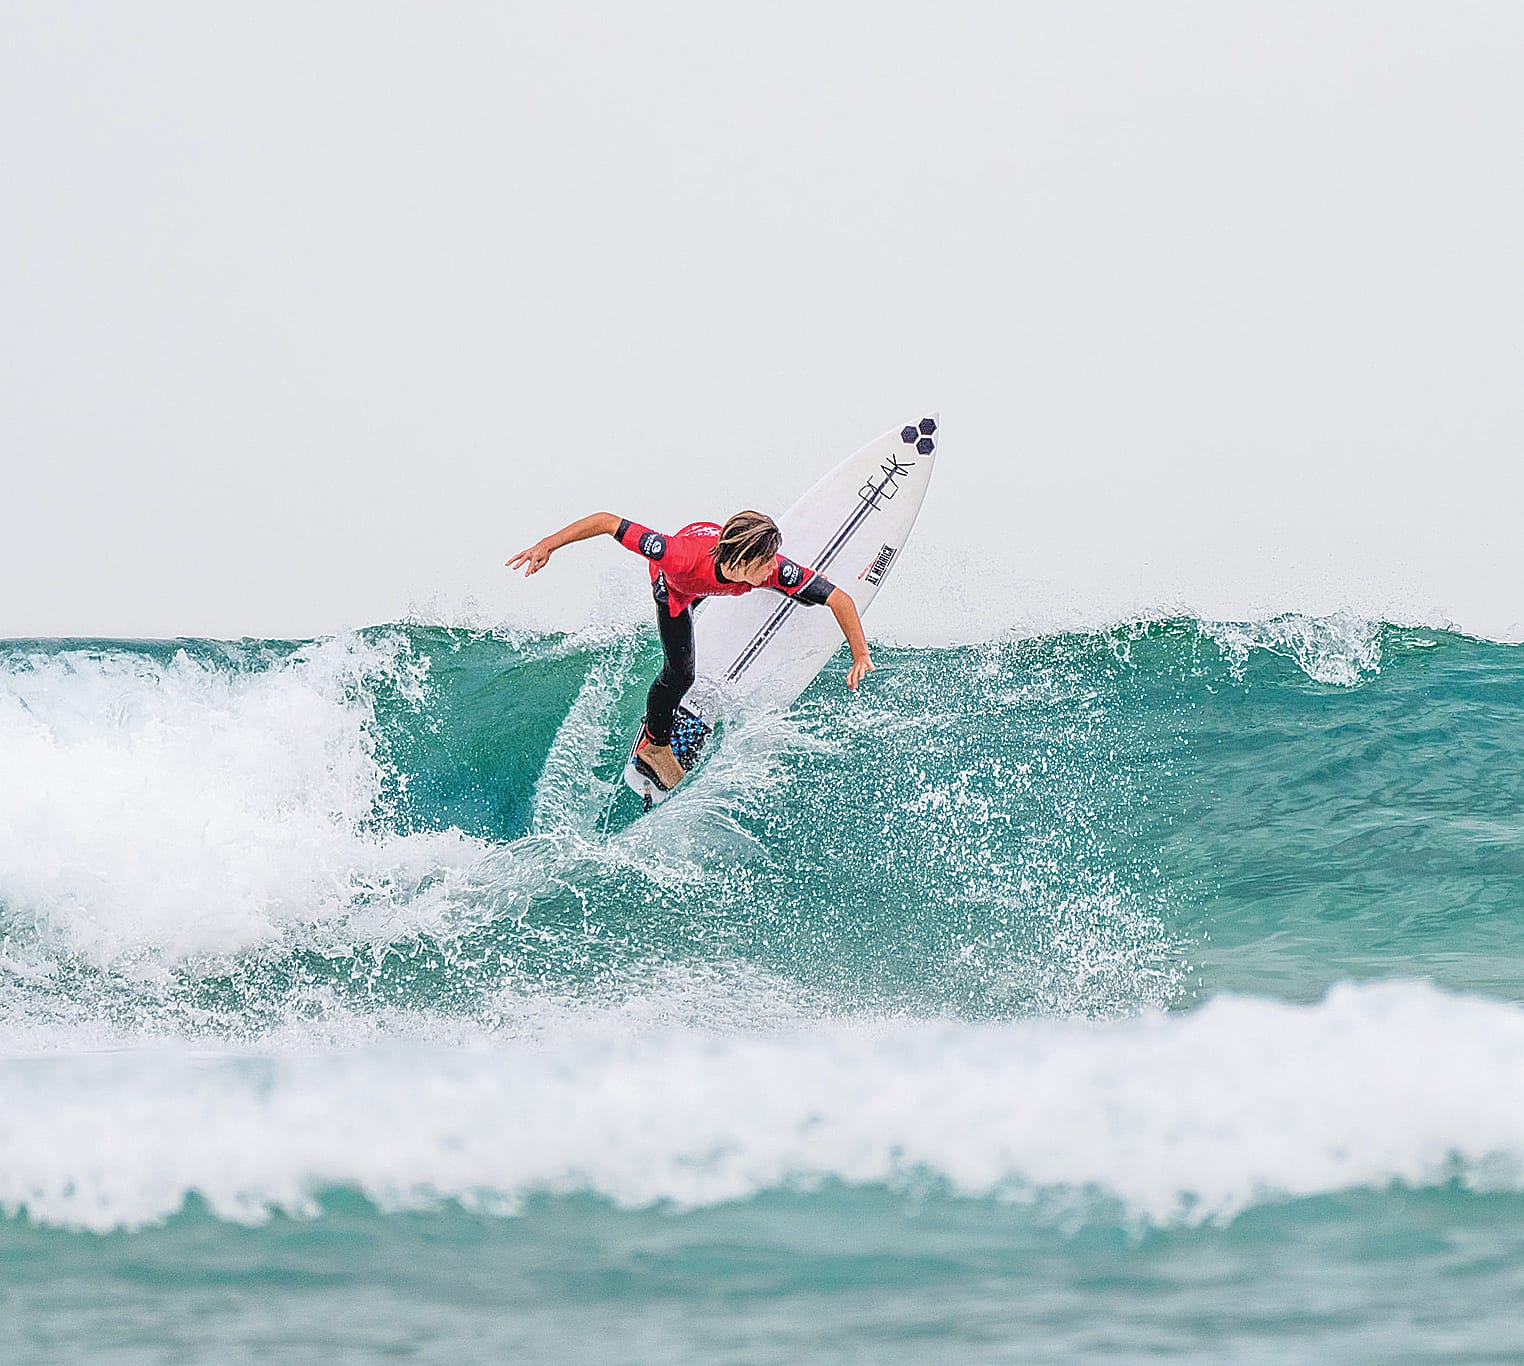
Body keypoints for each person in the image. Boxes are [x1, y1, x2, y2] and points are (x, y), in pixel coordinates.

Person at [507, 510, 873, 791]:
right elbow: (607, 521)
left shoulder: (769, 569)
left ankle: (783, 593)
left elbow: (839, 598)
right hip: (676, 590)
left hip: (719, 573)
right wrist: (547, 545)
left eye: (772, 559)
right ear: (742, 562)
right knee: (680, 673)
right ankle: (655, 745)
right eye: (764, 563)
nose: (772, 567)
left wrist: (859, 654)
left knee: (806, 595)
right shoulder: (676, 555)